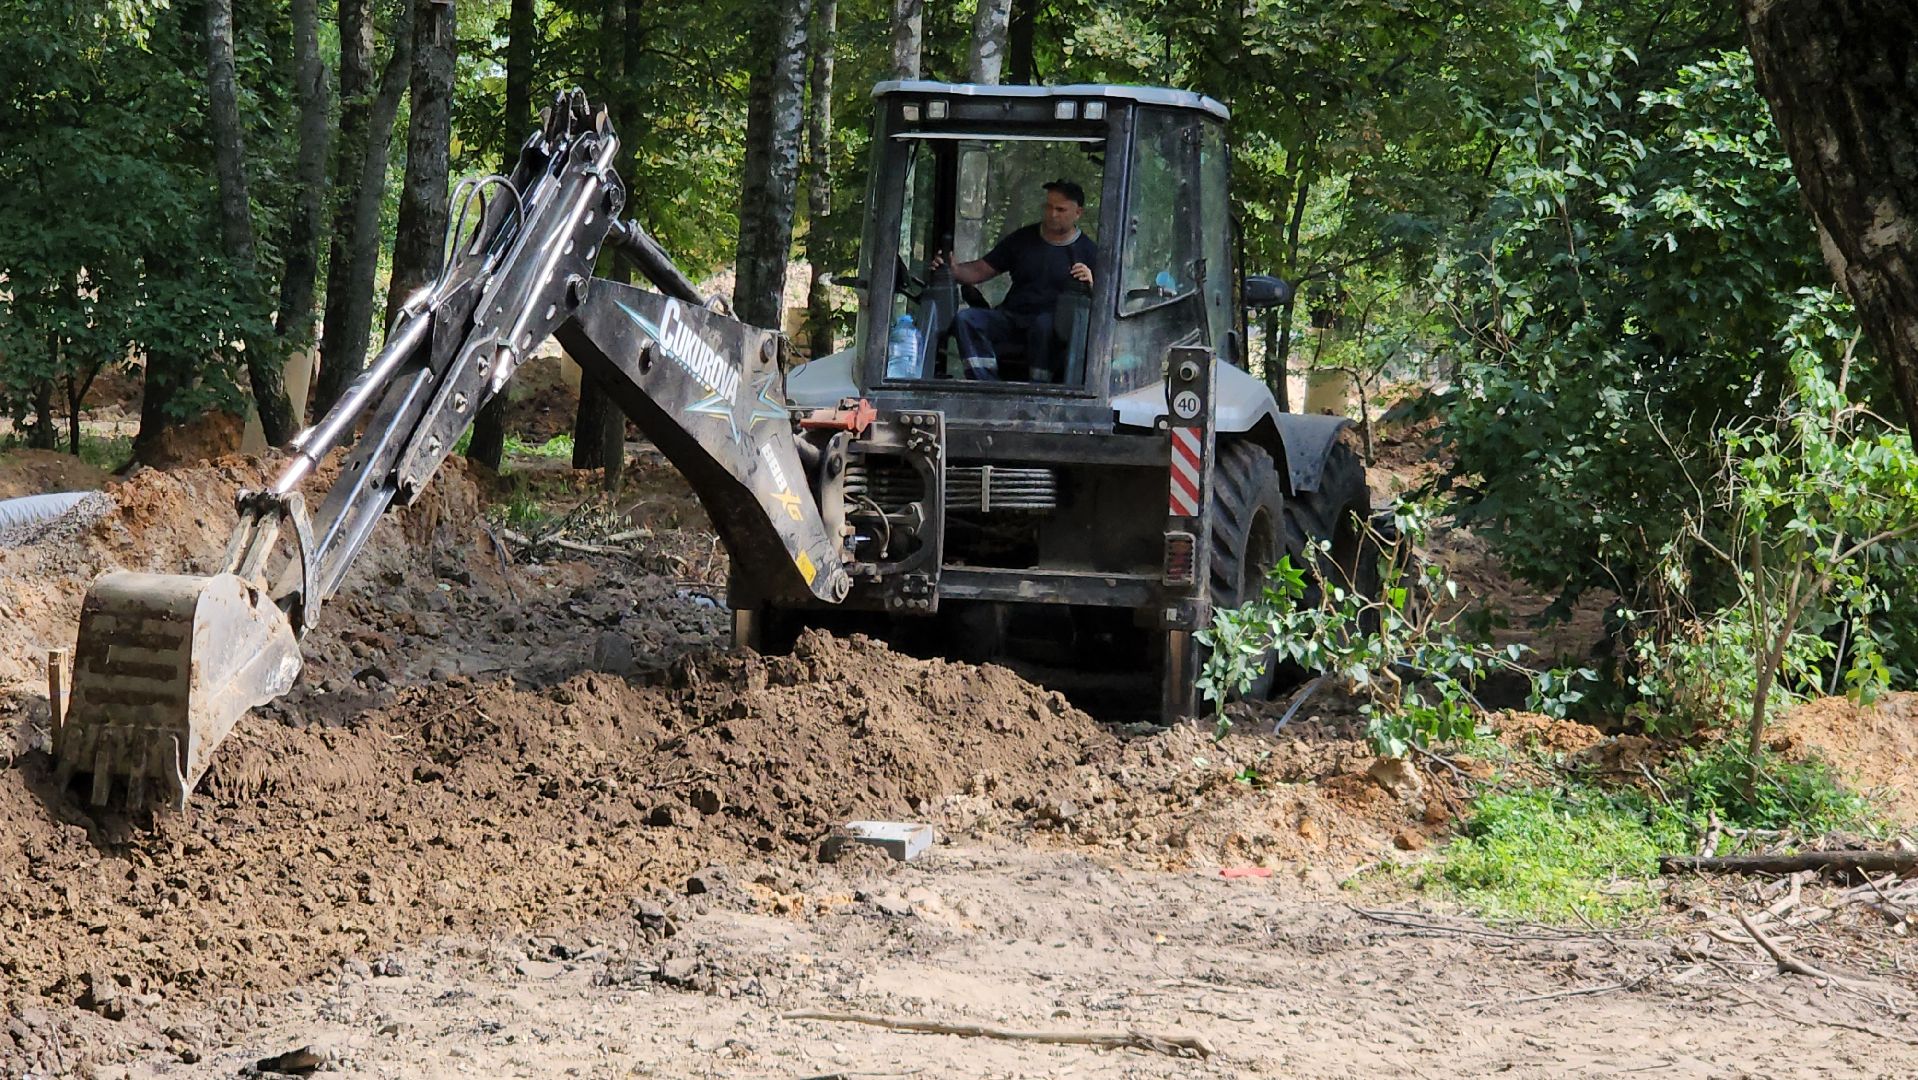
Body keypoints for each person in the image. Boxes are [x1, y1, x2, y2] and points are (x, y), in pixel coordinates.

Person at [931, 179, 1096, 381]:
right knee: (967, 319)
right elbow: (980, 270)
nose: (1052, 214)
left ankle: (1040, 389)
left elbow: (1102, 303)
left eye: (1060, 209)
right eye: (1049, 207)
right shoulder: (1023, 239)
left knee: (1043, 326)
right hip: (1012, 319)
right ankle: (984, 386)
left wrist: (1091, 283)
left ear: (1078, 213)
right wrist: (952, 269)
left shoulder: (1088, 251)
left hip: (1051, 331)